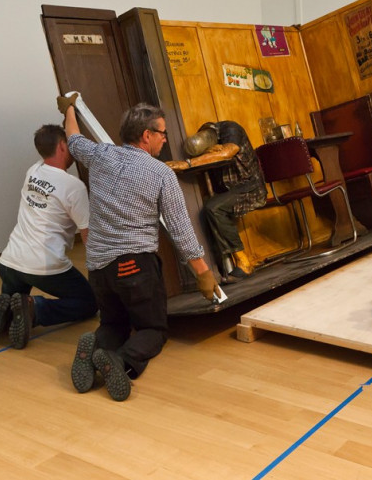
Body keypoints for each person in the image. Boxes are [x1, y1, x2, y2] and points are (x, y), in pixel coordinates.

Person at [58, 96, 218, 402]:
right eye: (162, 133)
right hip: (134, 266)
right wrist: (204, 274)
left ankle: (97, 347)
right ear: (146, 135)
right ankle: (121, 362)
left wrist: (68, 107)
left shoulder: (101, 155)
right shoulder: (161, 174)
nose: (164, 139)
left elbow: (74, 139)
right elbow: (181, 231)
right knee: (153, 330)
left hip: (98, 268)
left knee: (114, 324)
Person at [0, 125, 97, 350]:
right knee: (89, 303)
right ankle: (36, 309)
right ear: (63, 146)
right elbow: (87, 234)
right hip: (44, 268)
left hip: (9, 263)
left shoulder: (33, 170)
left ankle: (4, 312)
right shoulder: (74, 187)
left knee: (15, 299)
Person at [175, 121, 266, 281]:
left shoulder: (230, 129)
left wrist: (186, 164)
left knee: (214, 208)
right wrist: (208, 153)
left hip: (250, 188)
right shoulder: (210, 141)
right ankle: (224, 264)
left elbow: (227, 153)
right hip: (232, 191)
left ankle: (243, 262)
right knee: (208, 206)